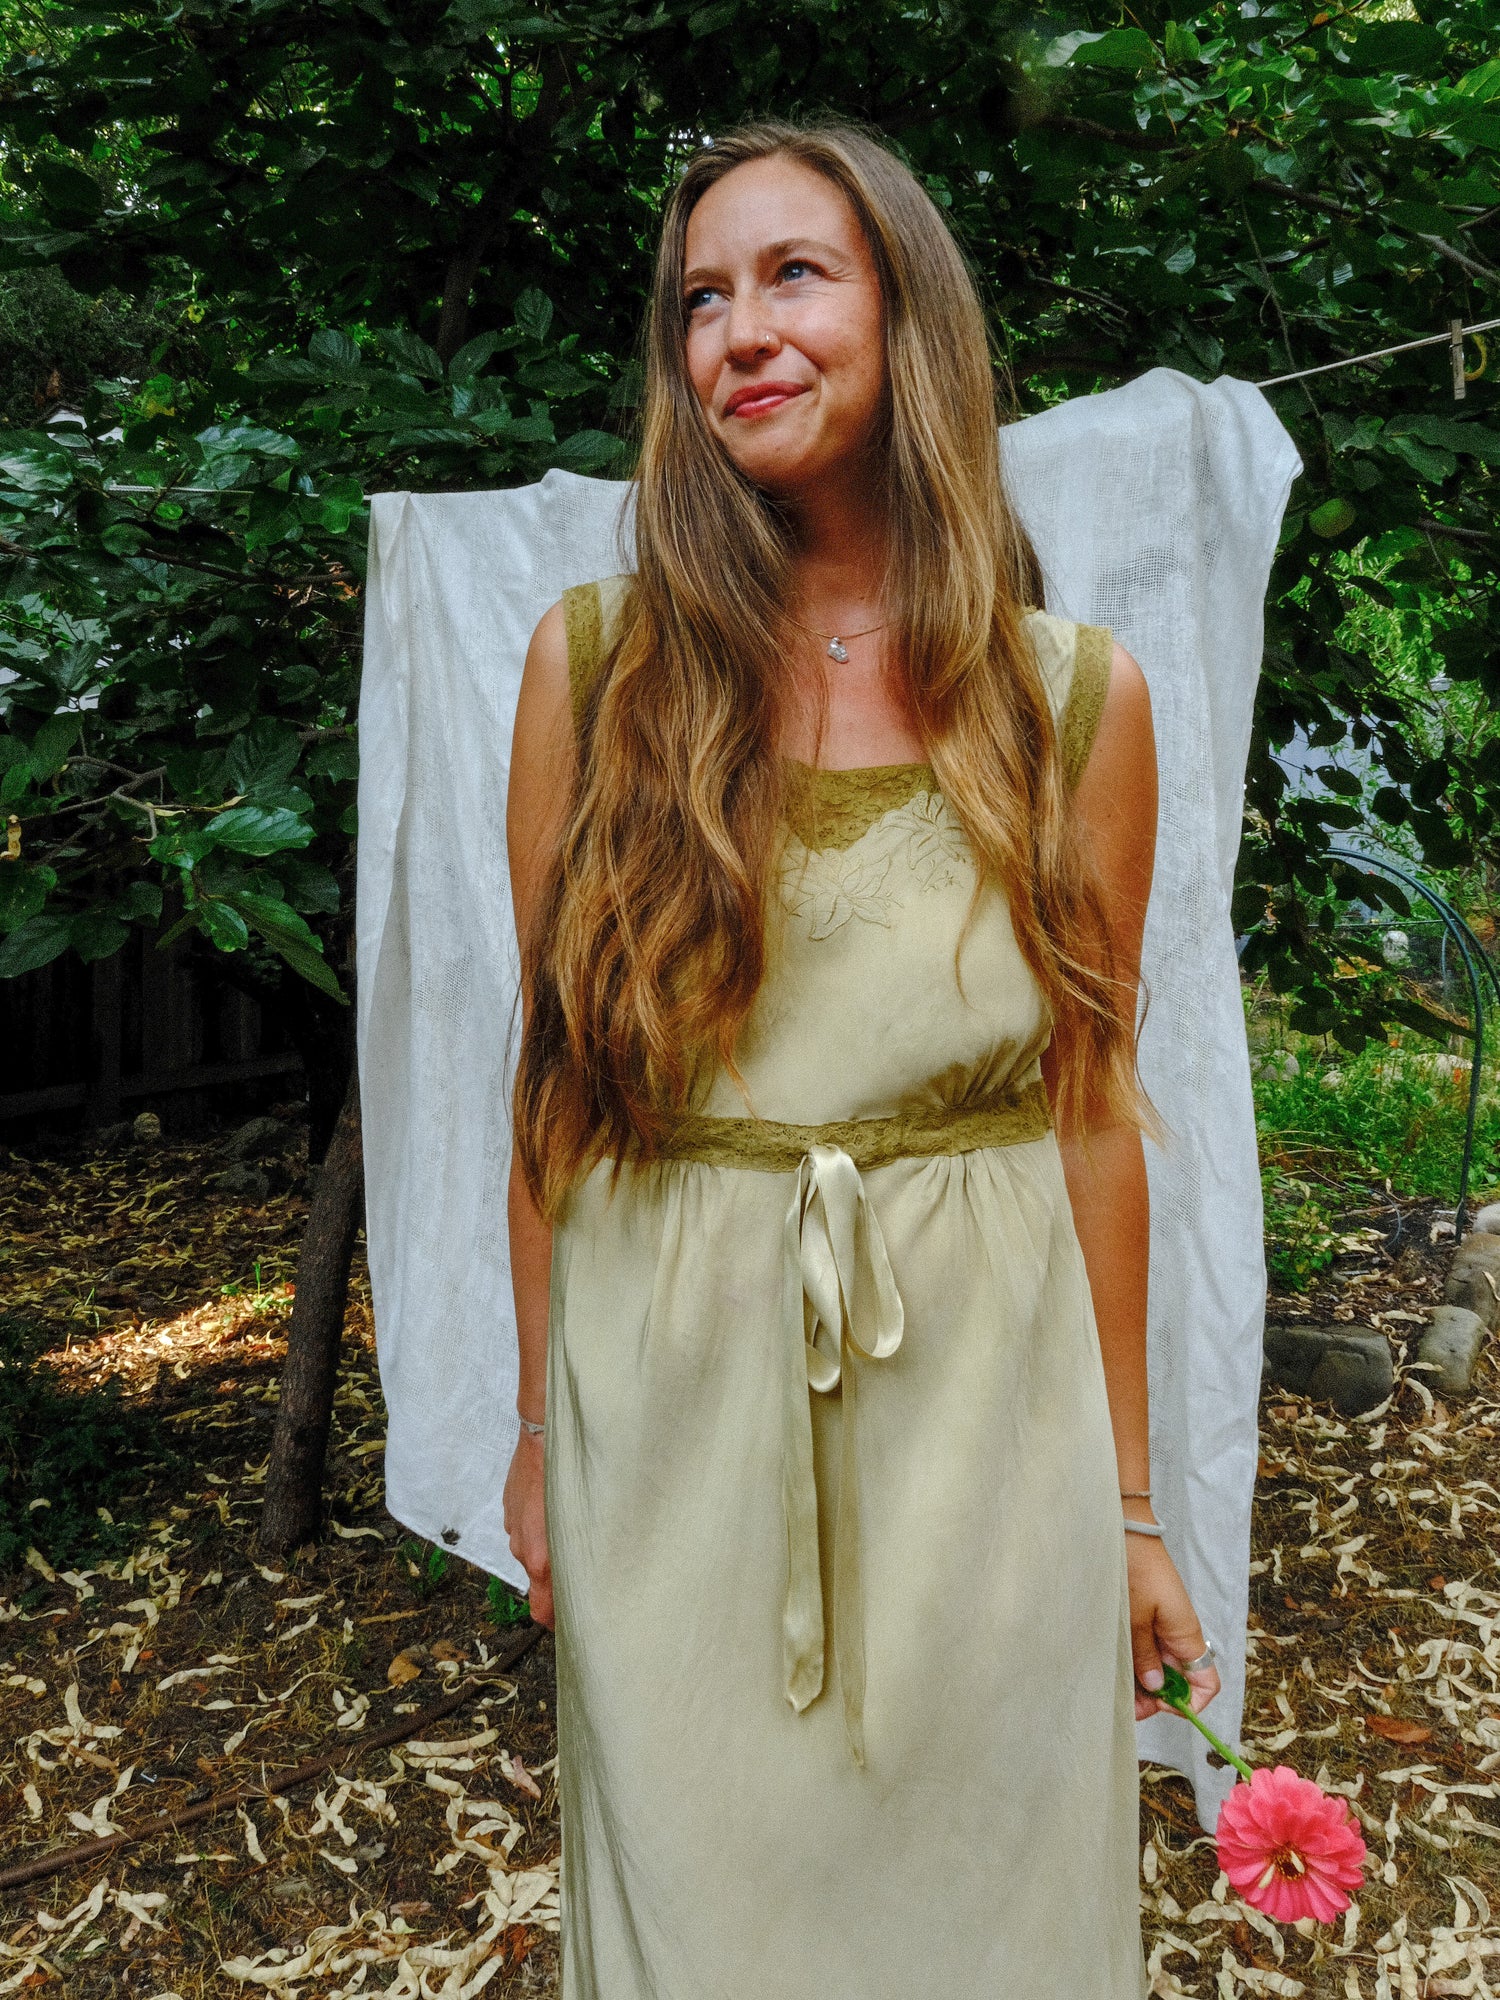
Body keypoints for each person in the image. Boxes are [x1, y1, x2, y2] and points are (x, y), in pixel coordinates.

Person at [502, 114, 1221, 1999]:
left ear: (911, 318)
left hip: (987, 1420)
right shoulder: (598, 671)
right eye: (700, 300)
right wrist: (536, 1435)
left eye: (794, 276)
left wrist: (1130, 1508)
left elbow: (1091, 1112)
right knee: (703, 1904)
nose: (739, 330)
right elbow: (556, 1091)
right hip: (671, 1405)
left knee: (992, 1898)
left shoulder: (1069, 701)